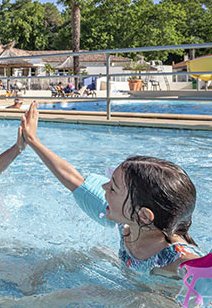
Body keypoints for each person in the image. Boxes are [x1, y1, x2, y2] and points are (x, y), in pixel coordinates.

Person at [19, 101, 201, 276]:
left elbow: (205, 270)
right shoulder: (128, 220)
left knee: (89, 291)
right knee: (85, 254)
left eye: (113, 187)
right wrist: (33, 140)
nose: (104, 186)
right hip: (133, 277)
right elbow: (76, 182)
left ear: (143, 215)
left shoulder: (175, 257)